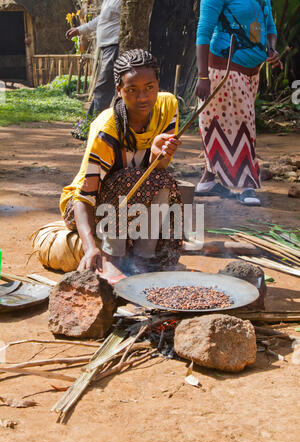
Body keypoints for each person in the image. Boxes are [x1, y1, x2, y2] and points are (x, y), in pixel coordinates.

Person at [60, 49, 183, 285]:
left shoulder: (167, 107)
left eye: (150, 87)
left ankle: (142, 258)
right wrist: (89, 248)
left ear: (158, 83)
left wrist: (158, 156)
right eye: (131, 90)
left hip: (131, 210)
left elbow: (159, 168)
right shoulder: (108, 129)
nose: (143, 97)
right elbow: (84, 198)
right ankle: (111, 256)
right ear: (119, 90)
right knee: (129, 177)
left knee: (164, 179)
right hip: (91, 210)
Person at [194, 0, 282, 206]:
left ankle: (208, 178)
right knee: (242, 127)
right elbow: (204, 31)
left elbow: (266, 27)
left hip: (251, 73)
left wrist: (270, 50)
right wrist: (203, 76)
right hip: (224, 71)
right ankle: (245, 186)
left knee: (229, 124)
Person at [66, 0, 121, 117]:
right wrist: (79, 30)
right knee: (103, 86)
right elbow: (100, 19)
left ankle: (93, 122)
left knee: (103, 86)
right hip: (105, 48)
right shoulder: (108, 1)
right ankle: (91, 122)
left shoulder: (123, 2)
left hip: (114, 46)